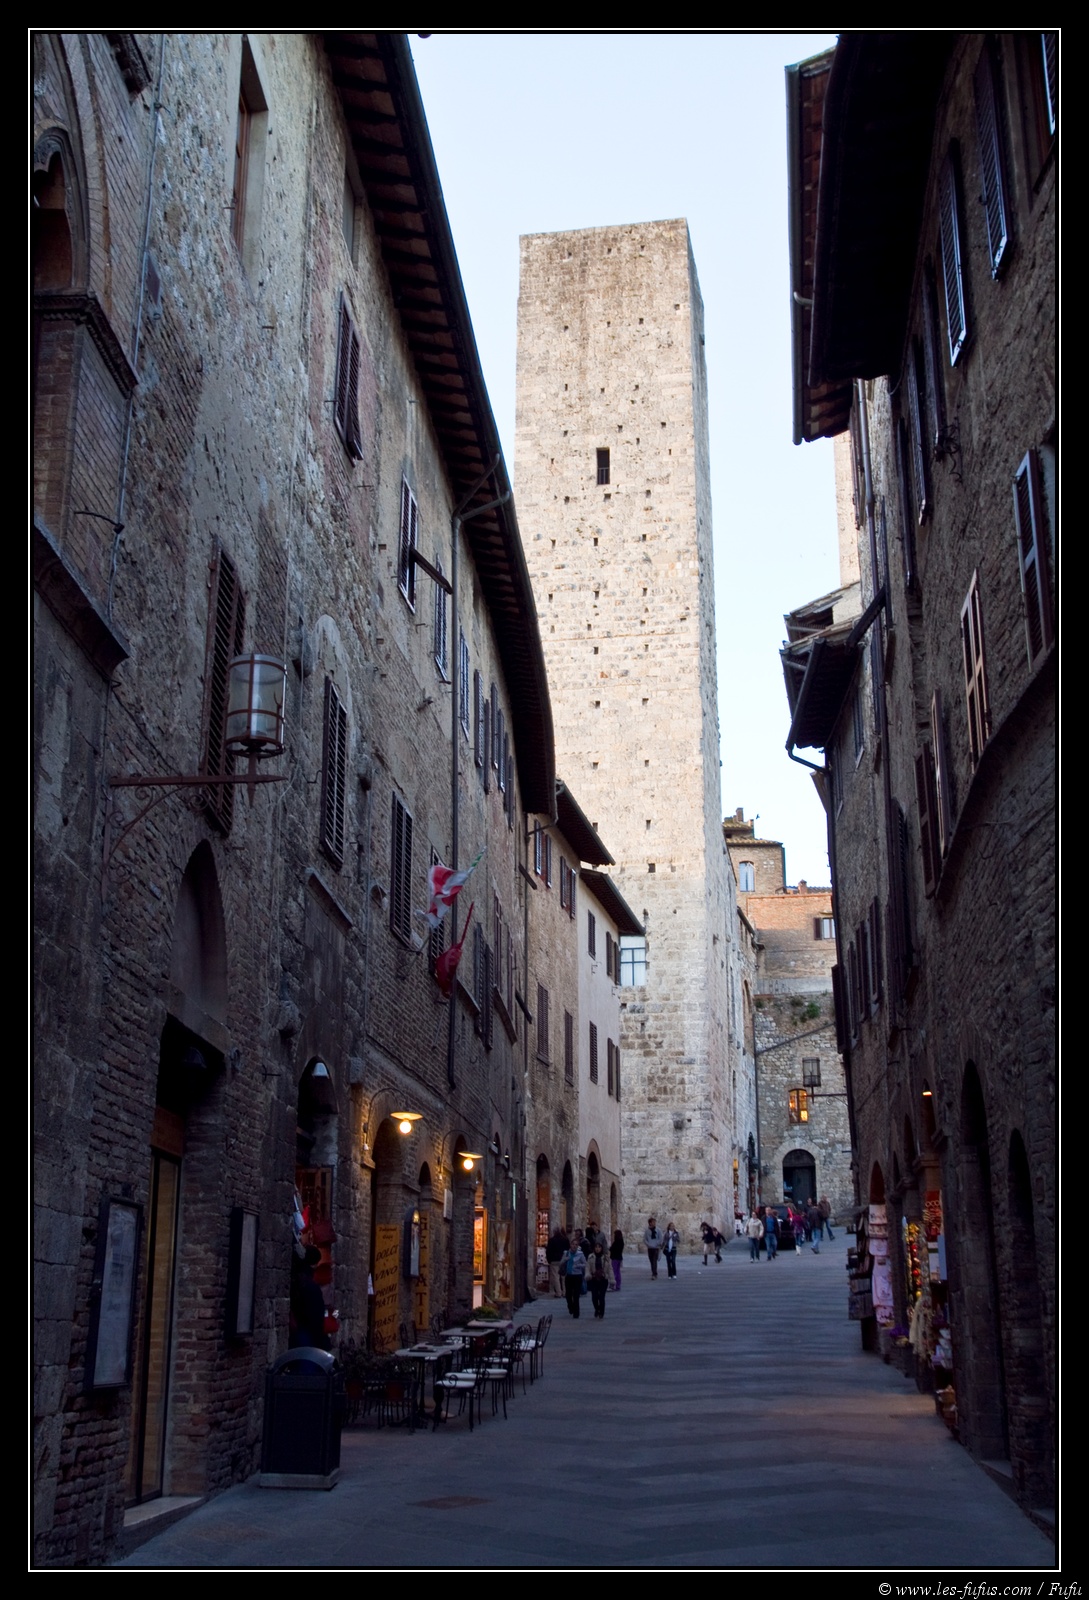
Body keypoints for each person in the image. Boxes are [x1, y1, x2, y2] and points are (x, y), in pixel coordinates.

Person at [562, 1236, 587, 1317]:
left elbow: (585, 1264)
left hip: (577, 1276)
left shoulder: (580, 1254)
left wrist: (578, 1265)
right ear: (570, 1245)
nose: (574, 1246)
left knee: (576, 1295)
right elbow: (561, 1263)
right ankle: (570, 1307)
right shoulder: (566, 1253)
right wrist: (565, 1260)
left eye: (576, 1245)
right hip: (569, 1276)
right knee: (568, 1295)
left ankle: (576, 1313)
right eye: (573, 1244)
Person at [588, 1238, 610, 1318]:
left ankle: (601, 1312)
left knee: (601, 1297)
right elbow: (587, 1267)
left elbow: (610, 1269)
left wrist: (612, 1279)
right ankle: (597, 1309)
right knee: (594, 1297)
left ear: (601, 1248)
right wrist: (588, 1275)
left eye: (599, 1247)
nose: (597, 1249)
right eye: (596, 1247)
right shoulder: (590, 1257)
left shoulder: (606, 1257)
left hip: (603, 1279)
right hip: (594, 1279)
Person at [546, 1226, 568, 1299]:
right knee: (563, 1277)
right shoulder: (565, 1240)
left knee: (556, 1277)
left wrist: (549, 1260)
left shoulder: (551, 1240)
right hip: (563, 1259)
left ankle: (558, 1293)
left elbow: (548, 1251)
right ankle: (565, 1292)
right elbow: (568, 1249)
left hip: (554, 1260)